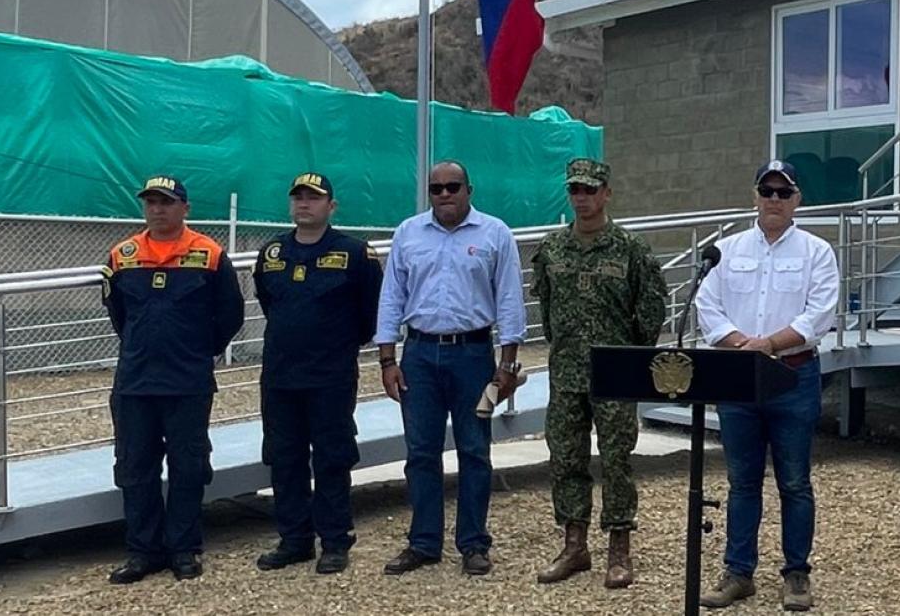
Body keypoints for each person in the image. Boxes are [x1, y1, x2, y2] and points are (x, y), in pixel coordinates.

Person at [695, 159, 840, 611]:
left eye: (783, 192)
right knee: (741, 482)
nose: (774, 199)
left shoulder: (817, 251)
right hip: (739, 377)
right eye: (767, 191)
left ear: (797, 199)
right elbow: (707, 305)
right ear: (755, 196)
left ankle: (796, 574)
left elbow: (820, 313)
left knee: (795, 482)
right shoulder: (726, 249)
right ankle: (739, 573)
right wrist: (744, 344)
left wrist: (770, 343)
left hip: (793, 376)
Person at [374, 161, 528, 576]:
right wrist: (388, 359)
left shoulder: (495, 233)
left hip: (472, 354)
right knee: (421, 452)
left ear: (469, 189)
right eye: (436, 188)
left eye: (452, 187)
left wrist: (508, 365)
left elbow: (510, 300)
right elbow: (391, 298)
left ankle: (474, 544)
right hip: (419, 355)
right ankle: (424, 543)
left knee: (474, 451)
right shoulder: (408, 233)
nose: (444, 194)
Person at [99, 175, 245, 584]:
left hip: (188, 380)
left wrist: (198, 351)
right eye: (151, 202)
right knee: (135, 467)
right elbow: (119, 317)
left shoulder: (209, 254)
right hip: (136, 382)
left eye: (166, 202)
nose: (158, 209)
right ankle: (142, 551)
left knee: (189, 467)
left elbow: (230, 314)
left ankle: (184, 549)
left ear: (185, 207)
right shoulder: (122, 255)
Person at [531, 158, 667, 589]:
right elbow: (548, 314)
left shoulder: (631, 249)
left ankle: (619, 548)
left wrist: (632, 361)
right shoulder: (553, 249)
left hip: (614, 372)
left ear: (606, 193)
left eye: (590, 190)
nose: (582, 198)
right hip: (567, 371)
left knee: (617, 460)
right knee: (566, 458)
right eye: (575, 190)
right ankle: (575, 545)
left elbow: (649, 314)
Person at [251, 172, 383, 575]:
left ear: (332, 206)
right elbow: (268, 302)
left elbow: (369, 316)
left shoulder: (356, 254)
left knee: (331, 458)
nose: (304, 203)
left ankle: (335, 540)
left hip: (330, 376)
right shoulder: (271, 253)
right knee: (284, 458)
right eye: (298, 197)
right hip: (281, 376)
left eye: (314, 197)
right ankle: (294, 539)